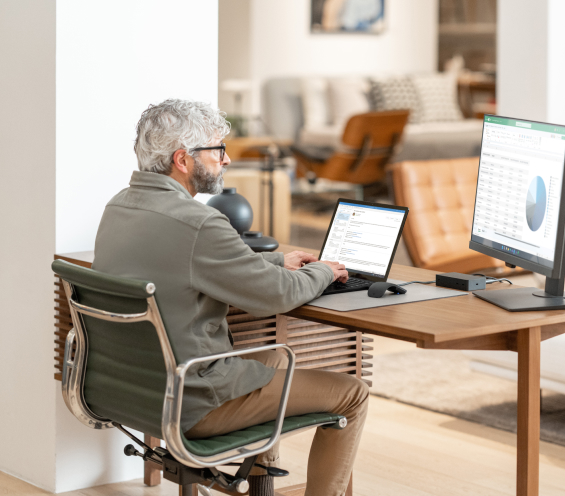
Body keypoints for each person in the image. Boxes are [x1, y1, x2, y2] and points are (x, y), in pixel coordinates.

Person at [92, 99, 369, 496]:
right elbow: (276, 295)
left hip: (131, 391)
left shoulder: (119, 205)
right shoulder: (200, 223)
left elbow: (188, 261)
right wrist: (322, 271)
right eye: (217, 150)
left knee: (273, 357)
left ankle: (260, 490)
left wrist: (276, 259)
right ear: (183, 160)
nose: (227, 160)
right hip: (190, 401)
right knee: (352, 392)